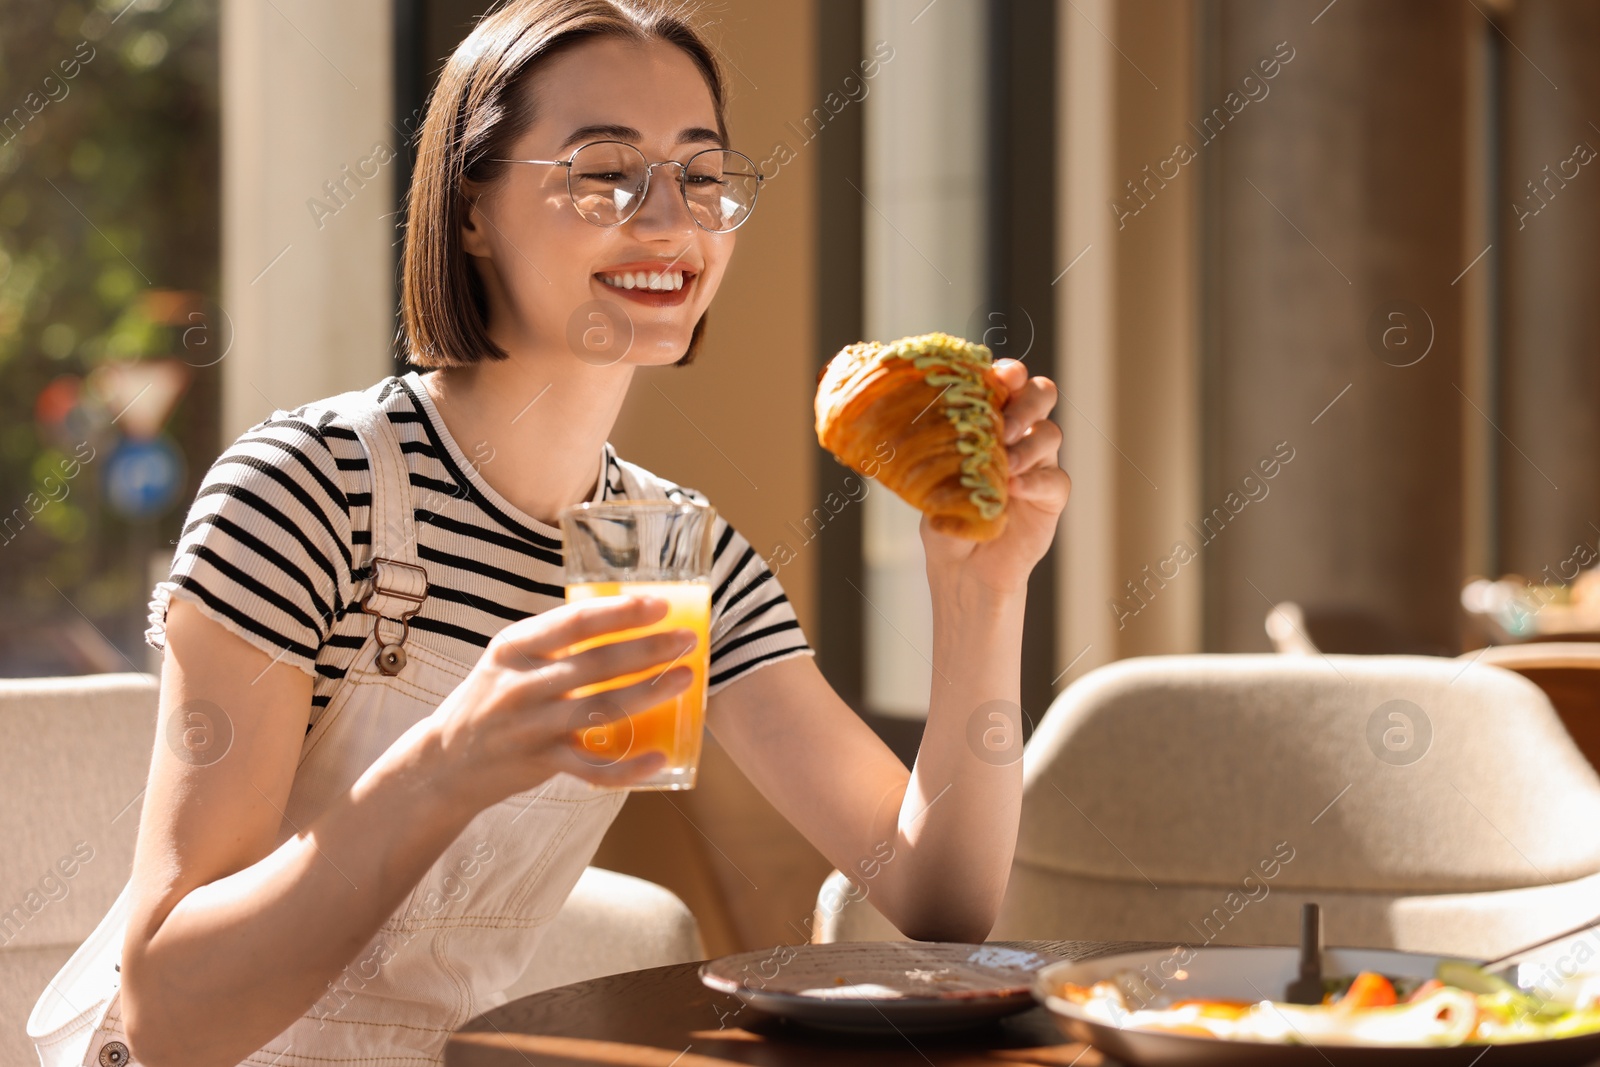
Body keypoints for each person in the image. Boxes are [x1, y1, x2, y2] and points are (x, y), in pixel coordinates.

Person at [90, 1, 1070, 1063]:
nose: (668, 220)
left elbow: (938, 899)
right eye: (605, 169)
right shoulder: (307, 489)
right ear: (472, 210)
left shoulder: (679, 555)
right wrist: (452, 758)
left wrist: (982, 591)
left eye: (701, 176)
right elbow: (170, 1015)